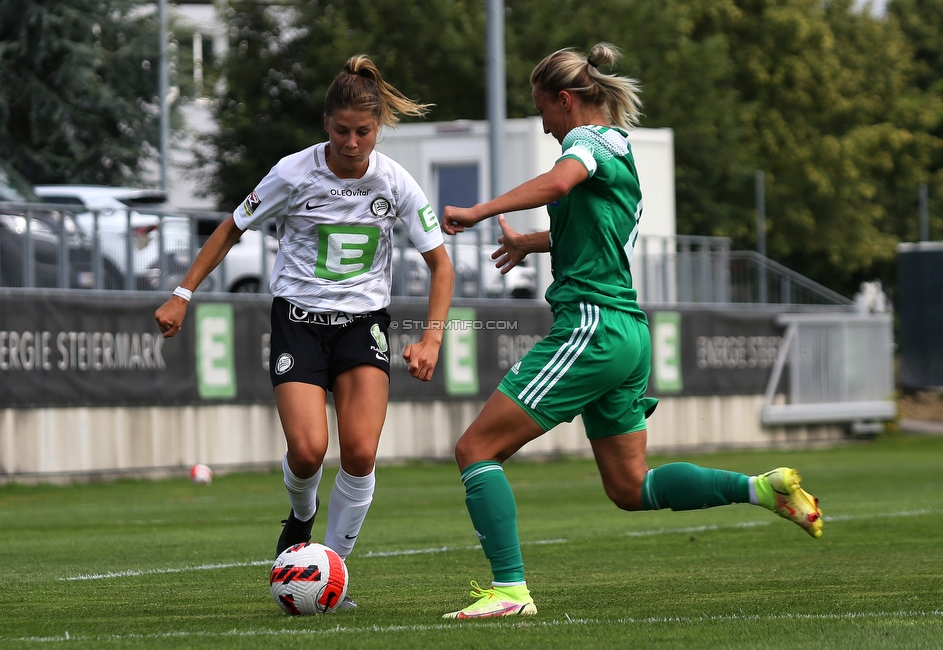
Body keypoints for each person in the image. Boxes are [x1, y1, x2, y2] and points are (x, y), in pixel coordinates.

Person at [439, 42, 823, 619]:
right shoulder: (623, 149)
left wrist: (480, 211)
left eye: (543, 109)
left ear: (565, 100)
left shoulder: (585, 141)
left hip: (590, 326)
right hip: (626, 332)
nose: (544, 125)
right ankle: (761, 489)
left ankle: (510, 591)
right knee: (631, 488)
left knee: (475, 449)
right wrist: (529, 241)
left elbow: (559, 183)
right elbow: (595, 231)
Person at [155, 54, 455, 610]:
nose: (351, 141)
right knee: (309, 451)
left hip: (363, 325)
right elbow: (230, 228)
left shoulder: (396, 182)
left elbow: (442, 263)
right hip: (297, 320)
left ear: (379, 127)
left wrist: (432, 336)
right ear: (326, 125)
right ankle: (300, 517)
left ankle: (332, 574)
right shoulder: (293, 172)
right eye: (341, 130)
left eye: (363, 131)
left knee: (360, 452)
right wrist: (183, 293)